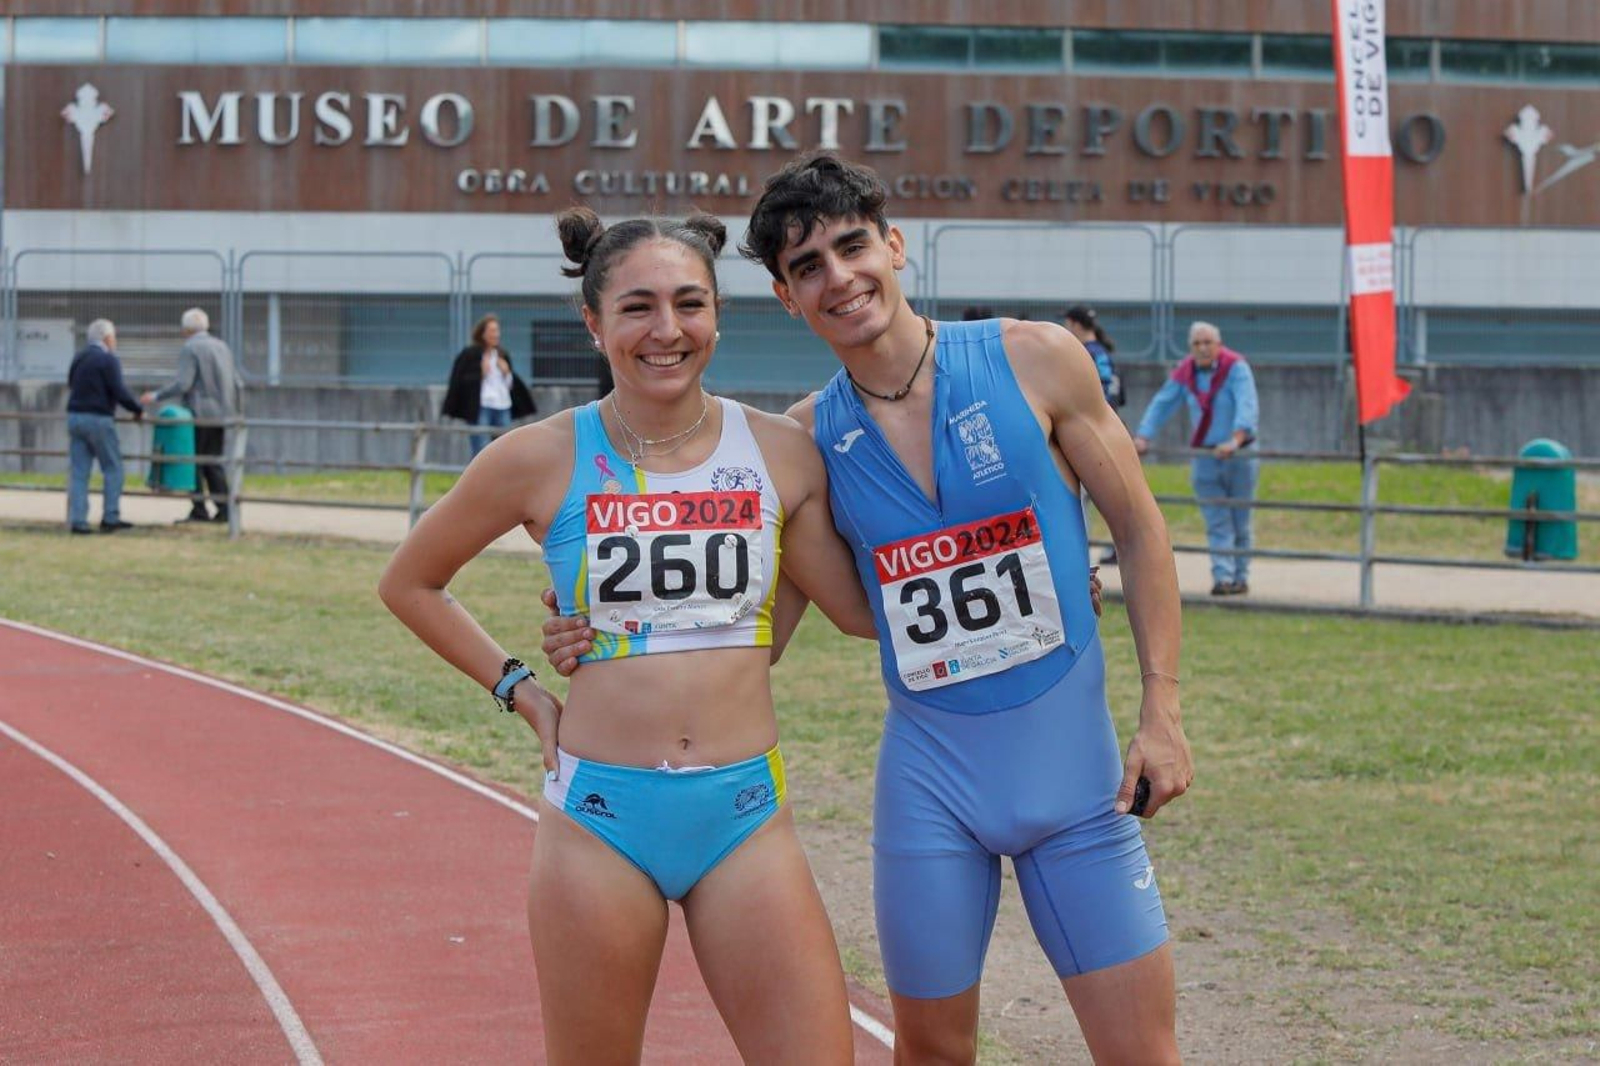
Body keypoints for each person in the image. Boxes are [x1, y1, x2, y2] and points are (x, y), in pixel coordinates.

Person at [543, 154, 1191, 1065]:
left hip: (1079, 785)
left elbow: (1139, 528)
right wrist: (604, 625)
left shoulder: (1035, 358)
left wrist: (1162, 714)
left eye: (853, 247)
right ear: (784, 297)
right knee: (928, 1051)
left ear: (894, 245)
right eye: (809, 267)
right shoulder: (805, 440)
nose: (840, 278)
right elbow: (745, 619)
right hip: (932, 790)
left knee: (1141, 1054)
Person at [380, 208, 878, 1064]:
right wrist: (521, 690)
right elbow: (411, 582)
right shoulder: (537, 457)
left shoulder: (783, 452)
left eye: (690, 304)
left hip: (746, 816)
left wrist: (1050, 563)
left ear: (719, 313)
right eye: (638, 307)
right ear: (593, 322)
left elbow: (856, 608)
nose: (667, 331)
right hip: (600, 822)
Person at [1134, 321, 1260, 596]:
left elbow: (1246, 403)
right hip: (1205, 453)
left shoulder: (1235, 367)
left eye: (1208, 343)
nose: (1202, 348)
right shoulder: (1186, 371)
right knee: (1216, 518)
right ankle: (1223, 577)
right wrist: (1144, 435)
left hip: (1238, 452)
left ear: (1219, 344)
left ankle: (1241, 575)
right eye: (1197, 344)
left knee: (1240, 517)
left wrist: (1236, 439)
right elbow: (1163, 402)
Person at [141, 308, 243, 524]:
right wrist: (237, 410)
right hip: (223, 413)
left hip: (198, 414)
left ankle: (199, 509)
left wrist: (158, 395)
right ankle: (225, 509)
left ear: (187, 329)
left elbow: (184, 383)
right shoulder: (222, 346)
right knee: (213, 461)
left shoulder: (190, 348)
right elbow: (237, 382)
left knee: (194, 462)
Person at [65, 318, 141, 534]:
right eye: (114, 338)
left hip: (75, 416)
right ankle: (110, 517)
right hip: (98, 418)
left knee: (79, 471)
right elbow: (118, 390)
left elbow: (71, 383)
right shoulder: (108, 360)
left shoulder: (79, 357)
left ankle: (78, 521)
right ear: (107, 338)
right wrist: (136, 409)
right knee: (113, 467)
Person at [1065, 304, 1126, 566]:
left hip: (1090, 433)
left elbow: (1098, 397)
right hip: (1111, 431)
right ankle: (1118, 548)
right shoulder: (1103, 352)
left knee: (1078, 501)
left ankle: (1080, 558)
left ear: (1076, 325)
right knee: (1113, 499)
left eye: (1068, 324)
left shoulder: (1083, 352)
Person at [441, 314, 536, 459]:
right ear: (482, 333)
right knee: (481, 448)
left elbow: (511, 386)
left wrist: (507, 373)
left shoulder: (502, 355)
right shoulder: (471, 354)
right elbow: (460, 382)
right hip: (482, 406)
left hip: (502, 406)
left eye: (497, 331)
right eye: (492, 331)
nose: (495, 334)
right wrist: (481, 373)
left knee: (505, 447)